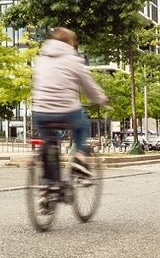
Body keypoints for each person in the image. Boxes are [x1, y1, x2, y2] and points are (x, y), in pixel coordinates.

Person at [31, 27, 110, 179]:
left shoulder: (41, 60)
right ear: (70, 43)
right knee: (83, 124)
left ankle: (47, 187)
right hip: (66, 111)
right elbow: (90, 87)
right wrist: (102, 99)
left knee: (49, 145)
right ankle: (79, 160)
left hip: (40, 112)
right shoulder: (74, 60)